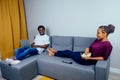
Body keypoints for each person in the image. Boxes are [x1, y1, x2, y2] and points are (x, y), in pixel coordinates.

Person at [47, 24, 115, 65]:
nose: (96, 34)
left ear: (105, 34)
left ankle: (53, 53)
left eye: (98, 33)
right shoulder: (98, 40)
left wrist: (89, 58)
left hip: (88, 61)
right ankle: (55, 52)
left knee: (68, 52)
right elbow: (90, 47)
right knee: (68, 52)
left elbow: (104, 58)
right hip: (84, 54)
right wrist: (87, 49)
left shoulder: (108, 45)